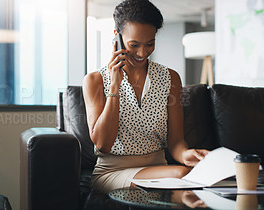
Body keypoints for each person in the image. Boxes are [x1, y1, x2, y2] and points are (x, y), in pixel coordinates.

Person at [82, 0, 210, 194]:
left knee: (188, 176)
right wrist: (115, 85)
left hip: (160, 169)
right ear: (117, 38)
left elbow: (176, 141)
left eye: (150, 44)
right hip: (112, 172)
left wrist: (186, 154)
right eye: (134, 45)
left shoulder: (170, 78)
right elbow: (103, 144)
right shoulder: (95, 80)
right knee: (180, 176)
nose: (142, 53)